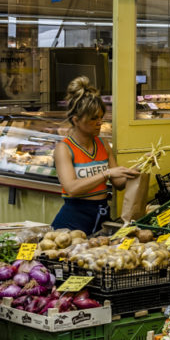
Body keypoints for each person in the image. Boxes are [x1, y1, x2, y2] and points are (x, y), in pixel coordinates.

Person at [52, 77, 137, 234]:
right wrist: (106, 174)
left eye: (100, 117)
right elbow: (72, 188)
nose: (99, 123)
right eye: (93, 118)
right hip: (72, 223)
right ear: (76, 120)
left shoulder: (102, 143)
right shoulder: (64, 149)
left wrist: (137, 169)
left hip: (101, 218)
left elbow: (118, 183)